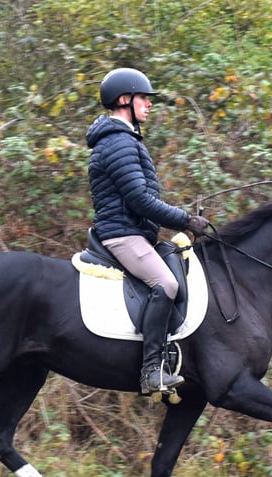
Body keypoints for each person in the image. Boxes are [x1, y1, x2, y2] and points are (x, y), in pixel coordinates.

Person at [86, 67, 210, 395]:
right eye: (143, 98)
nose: (149, 104)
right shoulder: (118, 142)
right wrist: (184, 220)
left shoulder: (123, 139)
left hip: (134, 232)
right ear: (124, 100)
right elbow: (140, 200)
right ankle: (151, 371)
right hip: (123, 235)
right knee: (166, 283)